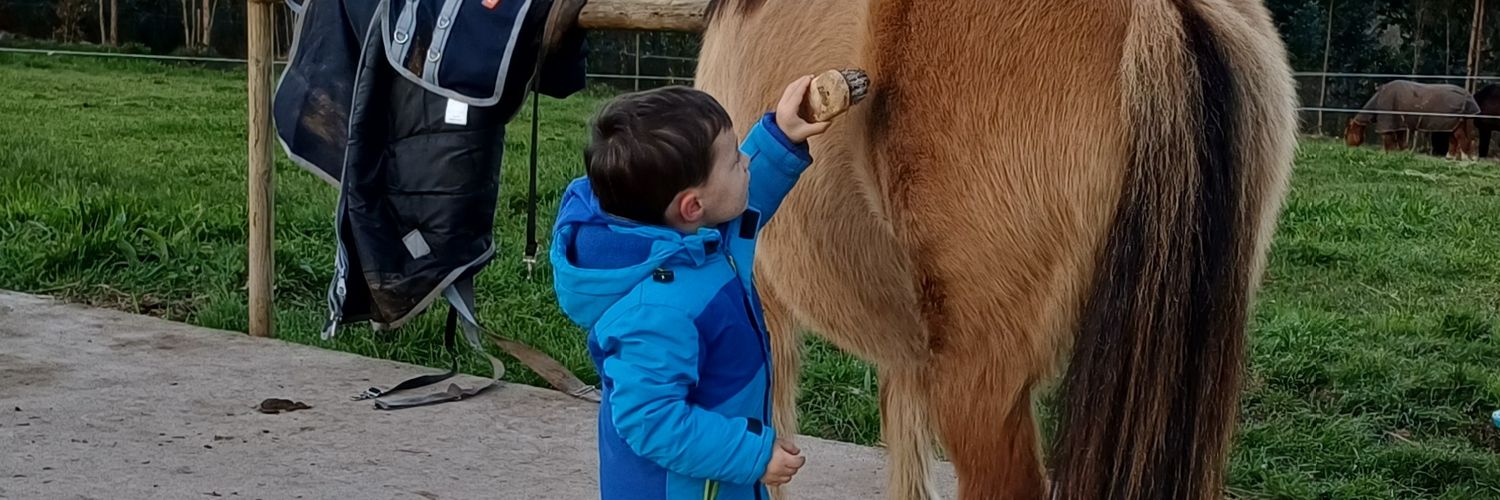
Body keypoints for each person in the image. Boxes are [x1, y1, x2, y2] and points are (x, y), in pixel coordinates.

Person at [549, 75, 835, 500]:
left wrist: (781, 134)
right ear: (692, 206)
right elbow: (652, 420)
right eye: (735, 159)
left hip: (714, 480)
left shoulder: (684, 237)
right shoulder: (656, 311)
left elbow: (742, 206)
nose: (746, 162)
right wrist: (752, 456)